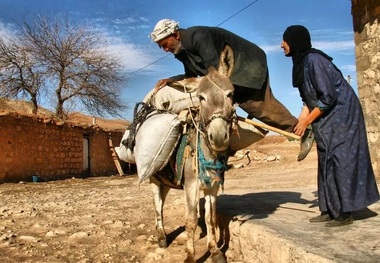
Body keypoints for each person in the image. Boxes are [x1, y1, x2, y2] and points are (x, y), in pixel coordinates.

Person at [149, 19, 314, 161]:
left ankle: (303, 131)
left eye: (165, 44)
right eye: (161, 47)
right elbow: (191, 75)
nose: (165, 50)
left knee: (257, 106)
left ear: (176, 35)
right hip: (231, 71)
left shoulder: (197, 36)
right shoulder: (181, 51)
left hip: (247, 65)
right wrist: (172, 80)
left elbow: (215, 72)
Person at [281, 25, 379, 227]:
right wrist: (300, 123)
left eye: (285, 40)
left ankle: (344, 212)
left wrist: (307, 121)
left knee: (339, 159)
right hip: (327, 115)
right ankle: (329, 209)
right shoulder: (300, 65)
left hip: (343, 114)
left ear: (295, 41)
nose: (282, 45)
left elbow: (328, 97)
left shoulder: (315, 60)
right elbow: (308, 101)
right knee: (325, 158)